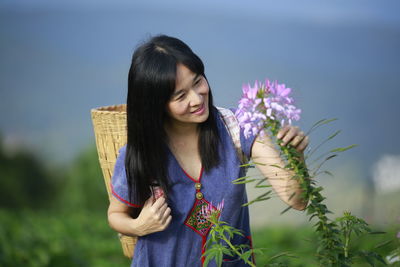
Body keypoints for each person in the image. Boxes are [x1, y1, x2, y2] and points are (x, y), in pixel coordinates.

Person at [107, 35, 309, 267]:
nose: (196, 98)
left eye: (198, 81)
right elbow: (116, 214)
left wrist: (296, 158)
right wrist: (138, 226)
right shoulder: (142, 152)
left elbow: (298, 200)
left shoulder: (239, 126)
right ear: (156, 104)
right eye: (180, 96)